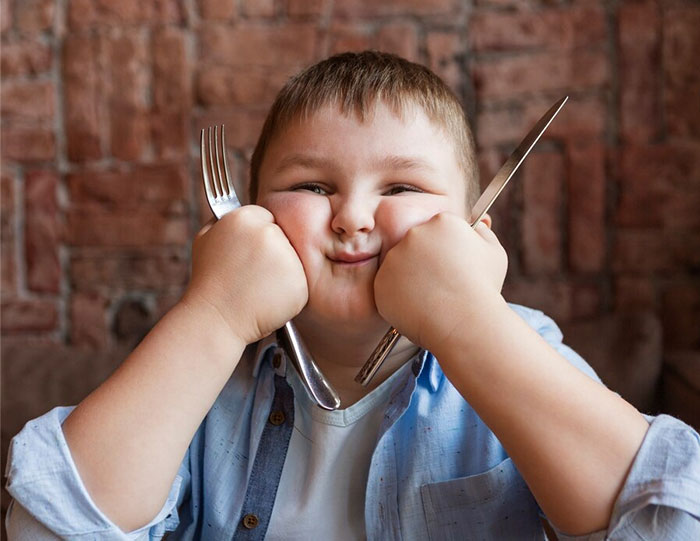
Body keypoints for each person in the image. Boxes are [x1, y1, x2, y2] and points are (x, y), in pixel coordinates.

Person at [5, 51, 699, 540]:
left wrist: (469, 318)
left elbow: (672, 522)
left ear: (472, 234)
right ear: (250, 225)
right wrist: (213, 313)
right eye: (312, 186)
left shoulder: (521, 348)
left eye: (401, 187)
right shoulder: (203, 375)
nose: (354, 217)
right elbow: (45, 527)